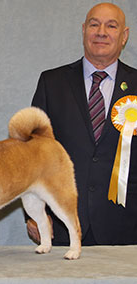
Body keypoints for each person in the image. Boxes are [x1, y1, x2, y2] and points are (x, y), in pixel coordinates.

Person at [27, 2, 137, 246]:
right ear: (84, 30)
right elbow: (32, 153)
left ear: (124, 36)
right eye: (94, 24)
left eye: (111, 25)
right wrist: (34, 212)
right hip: (62, 223)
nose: (101, 32)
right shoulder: (51, 82)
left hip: (127, 228)